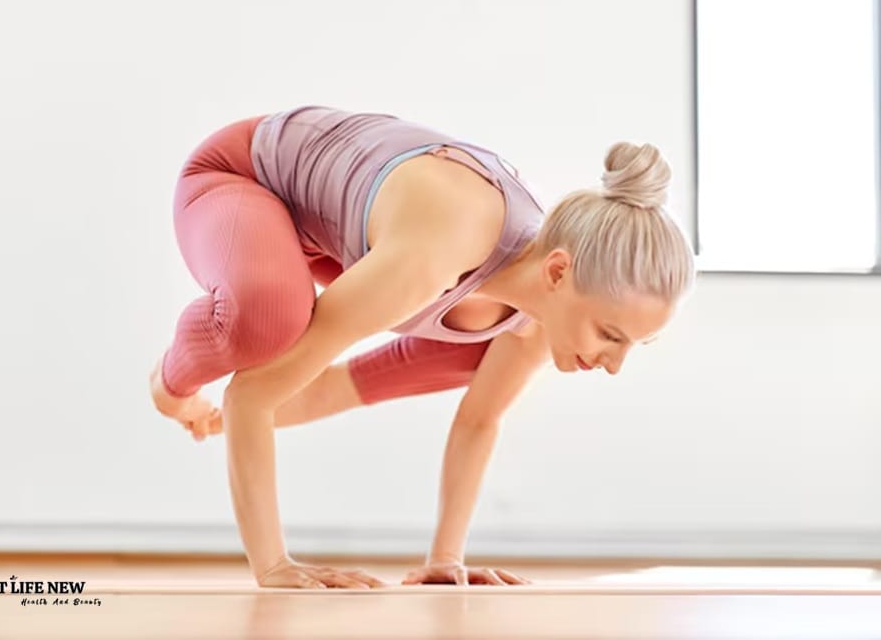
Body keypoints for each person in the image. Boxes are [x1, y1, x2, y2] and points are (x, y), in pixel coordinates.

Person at [148, 105, 696, 589]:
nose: (615, 365)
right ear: (558, 271)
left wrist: (446, 558)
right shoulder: (436, 252)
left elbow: (466, 419)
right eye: (610, 334)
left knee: (467, 358)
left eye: (635, 346)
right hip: (238, 177)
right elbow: (255, 394)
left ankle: (203, 385)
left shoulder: (535, 315)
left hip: (330, 237)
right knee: (270, 321)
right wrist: (274, 565)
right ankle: (171, 378)